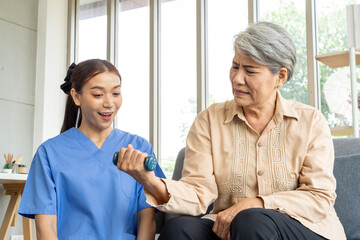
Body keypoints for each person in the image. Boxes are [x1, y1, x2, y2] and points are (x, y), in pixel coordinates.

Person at [115, 22, 346, 240]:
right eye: (235, 66)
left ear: (280, 77)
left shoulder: (311, 121)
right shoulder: (209, 120)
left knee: (252, 220)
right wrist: (151, 182)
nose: (237, 78)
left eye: (250, 71)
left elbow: (319, 196)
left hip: (303, 227)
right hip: (230, 226)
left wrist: (255, 203)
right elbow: (198, 192)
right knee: (180, 229)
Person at [18, 59, 165, 240]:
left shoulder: (139, 148)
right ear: (76, 96)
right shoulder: (48, 153)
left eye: (116, 93)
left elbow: (147, 220)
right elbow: (45, 227)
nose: (109, 103)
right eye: (98, 95)